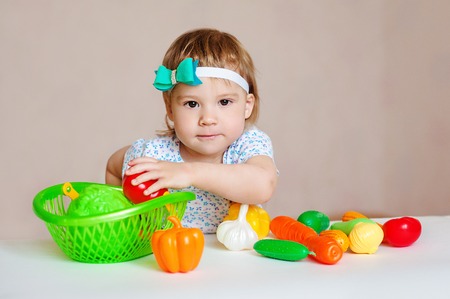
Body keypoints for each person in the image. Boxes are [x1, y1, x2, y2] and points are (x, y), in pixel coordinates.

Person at [105, 28, 277, 233]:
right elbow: (113, 167)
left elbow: (263, 185)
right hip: (168, 255)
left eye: (224, 101)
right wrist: (126, 217)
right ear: (170, 107)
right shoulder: (155, 155)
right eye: (192, 104)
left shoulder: (248, 145)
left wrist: (189, 172)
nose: (208, 119)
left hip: (235, 259)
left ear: (247, 105)